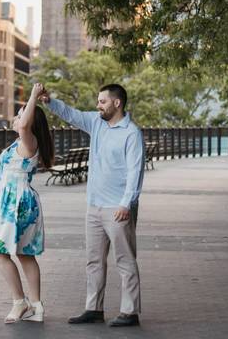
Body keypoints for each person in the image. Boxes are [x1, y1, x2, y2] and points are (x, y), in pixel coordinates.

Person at [38, 83, 144, 328]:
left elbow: (135, 172)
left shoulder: (131, 133)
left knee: (125, 260)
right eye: (98, 101)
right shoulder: (96, 122)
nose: (98, 106)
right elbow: (71, 114)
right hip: (94, 206)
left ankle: (130, 312)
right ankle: (93, 308)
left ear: (117, 103)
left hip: (118, 208)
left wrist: (126, 204)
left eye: (102, 102)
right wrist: (49, 101)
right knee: (94, 261)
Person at [0, 81, 55, 323]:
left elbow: (23, 125)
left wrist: (32, 96)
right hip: (14, 200)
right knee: (24, 254)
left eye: (21, 113)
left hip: (16, 202)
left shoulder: (28, 140)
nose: (16, 117)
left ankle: (20, 301)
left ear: (30, 120)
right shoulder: (22, 142)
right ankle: (36, 306)